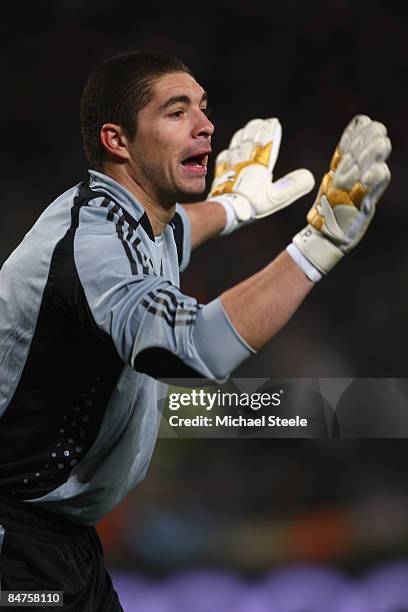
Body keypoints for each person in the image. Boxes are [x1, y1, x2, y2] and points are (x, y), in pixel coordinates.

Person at [0, 51, 391, 610]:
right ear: (117, 140)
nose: (206, 125)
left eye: (203, 108)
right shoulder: (96, 245)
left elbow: (175, 232)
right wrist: (318, 245)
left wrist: (233, 207)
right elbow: (195, 349)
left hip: (57, 541)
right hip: (14, 546)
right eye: (176, 111)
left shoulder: (130, 218)